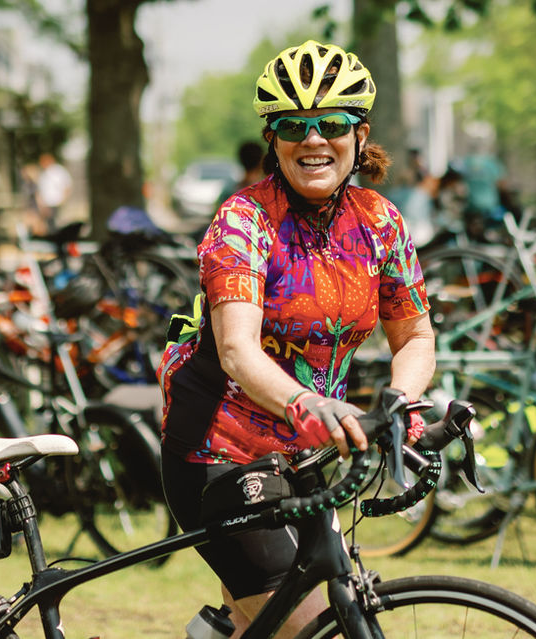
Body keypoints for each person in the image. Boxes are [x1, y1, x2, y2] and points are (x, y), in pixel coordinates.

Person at [157, 40, 435, 638]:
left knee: (276, 618)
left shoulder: (380, 222)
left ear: (359, 135)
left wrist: (402, 400)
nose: (313, 139)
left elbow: (414, 334)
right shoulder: (244, 221)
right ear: (273, 139)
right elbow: (237, 349)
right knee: (319, 627)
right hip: (219, 449)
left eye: (330, 124)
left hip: (304, 455)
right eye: (292, 126)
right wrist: (305, 403)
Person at [35, 152, 72, 235]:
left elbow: (67, 186)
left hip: (57, 202)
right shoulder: (43, 174)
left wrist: (64, 199)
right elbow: (40, 190)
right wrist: (41, 204)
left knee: (59, 223)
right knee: (50, 225)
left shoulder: (59, 171)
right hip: (47, 204)